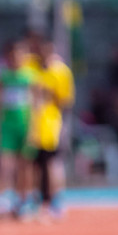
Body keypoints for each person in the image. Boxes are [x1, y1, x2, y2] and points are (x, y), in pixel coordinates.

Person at [28, 32, 75, 220]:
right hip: (32, 126)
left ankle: (57, 200)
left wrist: (64, 126)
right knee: (33, 165)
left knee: (52, 163)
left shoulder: (60, 72)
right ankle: (36, 200)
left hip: (51, 125)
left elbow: (66, 102)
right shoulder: (30, 68)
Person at [0, 38, 37, 218]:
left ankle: (24, 200)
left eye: (19, 55)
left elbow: (35, 105)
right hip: (7, 127)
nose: (16, 59)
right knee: (5, 165)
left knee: (25, 166)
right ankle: (1, 201)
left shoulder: (30, 77)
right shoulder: (3, 76)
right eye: (12, 56)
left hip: (25, 126)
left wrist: (33, 130)